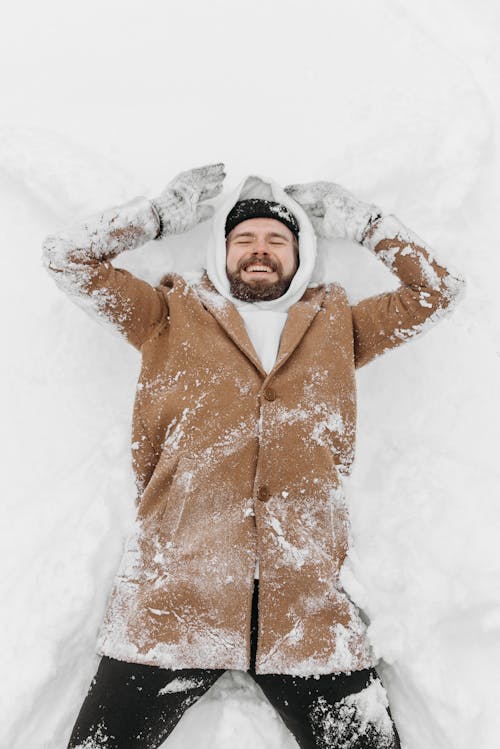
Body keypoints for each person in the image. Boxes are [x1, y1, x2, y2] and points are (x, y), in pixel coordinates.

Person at [42, 163, 465, 748]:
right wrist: (157, 216)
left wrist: (367, 224)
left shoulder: (338, 324)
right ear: (222, 250)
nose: (259, 250)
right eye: (244, 239)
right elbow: (67, 258)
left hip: (307, 619)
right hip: (175, 604)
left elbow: (437, 291)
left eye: (276, 240)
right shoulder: (168, 314)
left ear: (301, 253)